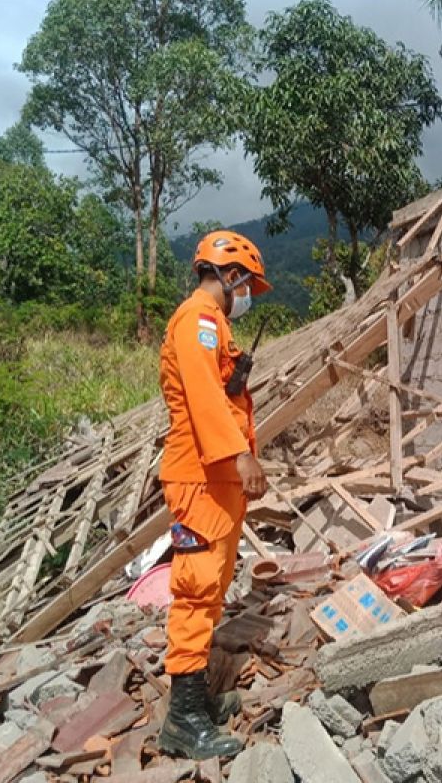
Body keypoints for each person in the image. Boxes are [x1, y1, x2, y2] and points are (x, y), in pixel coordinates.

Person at [156, 230, 271, 759]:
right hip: (202, 475)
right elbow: (203, 397)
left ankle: (197, 697)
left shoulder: (214, 325)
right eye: (247, 284)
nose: (248, 295)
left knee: (216, 585)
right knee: (198, 590)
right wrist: (238, 455)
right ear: (231, 276)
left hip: (216, 478)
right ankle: (181, 722)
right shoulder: (198, 320)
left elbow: (223, 398)